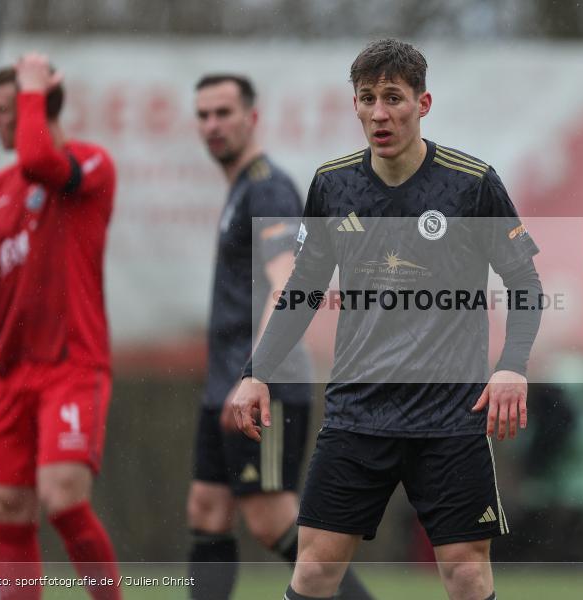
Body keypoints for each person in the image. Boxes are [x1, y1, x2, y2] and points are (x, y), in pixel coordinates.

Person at [231, 39, 543, 600]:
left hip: (450, 417)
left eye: (394, 97)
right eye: (367, 98)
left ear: (423, 104)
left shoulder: (472, 185)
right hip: (358, 413)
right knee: (314, 572)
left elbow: (525, 282)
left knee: (467, 575)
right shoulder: (333, 185)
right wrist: (258, 370)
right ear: (354, 105)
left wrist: (512, 366)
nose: (380, 112)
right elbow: (303, 289)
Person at [187, 74, 372, 600]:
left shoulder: (267, 186)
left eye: (223, 112)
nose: (212, 125)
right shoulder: (241, 188)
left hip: (262, 384)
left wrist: (255, 374)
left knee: (273, 521)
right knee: (208, 508)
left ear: (253, 117)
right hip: (226, 381)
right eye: (203, 115)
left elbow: (287, 283)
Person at [0, 53, 120, 600]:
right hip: (10, 376)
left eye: (4, 110)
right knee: (9, 506)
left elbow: (40, 159)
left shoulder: (91, 163)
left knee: (62, 497)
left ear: (38, 105)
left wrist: (33, 89)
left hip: (71, 366)